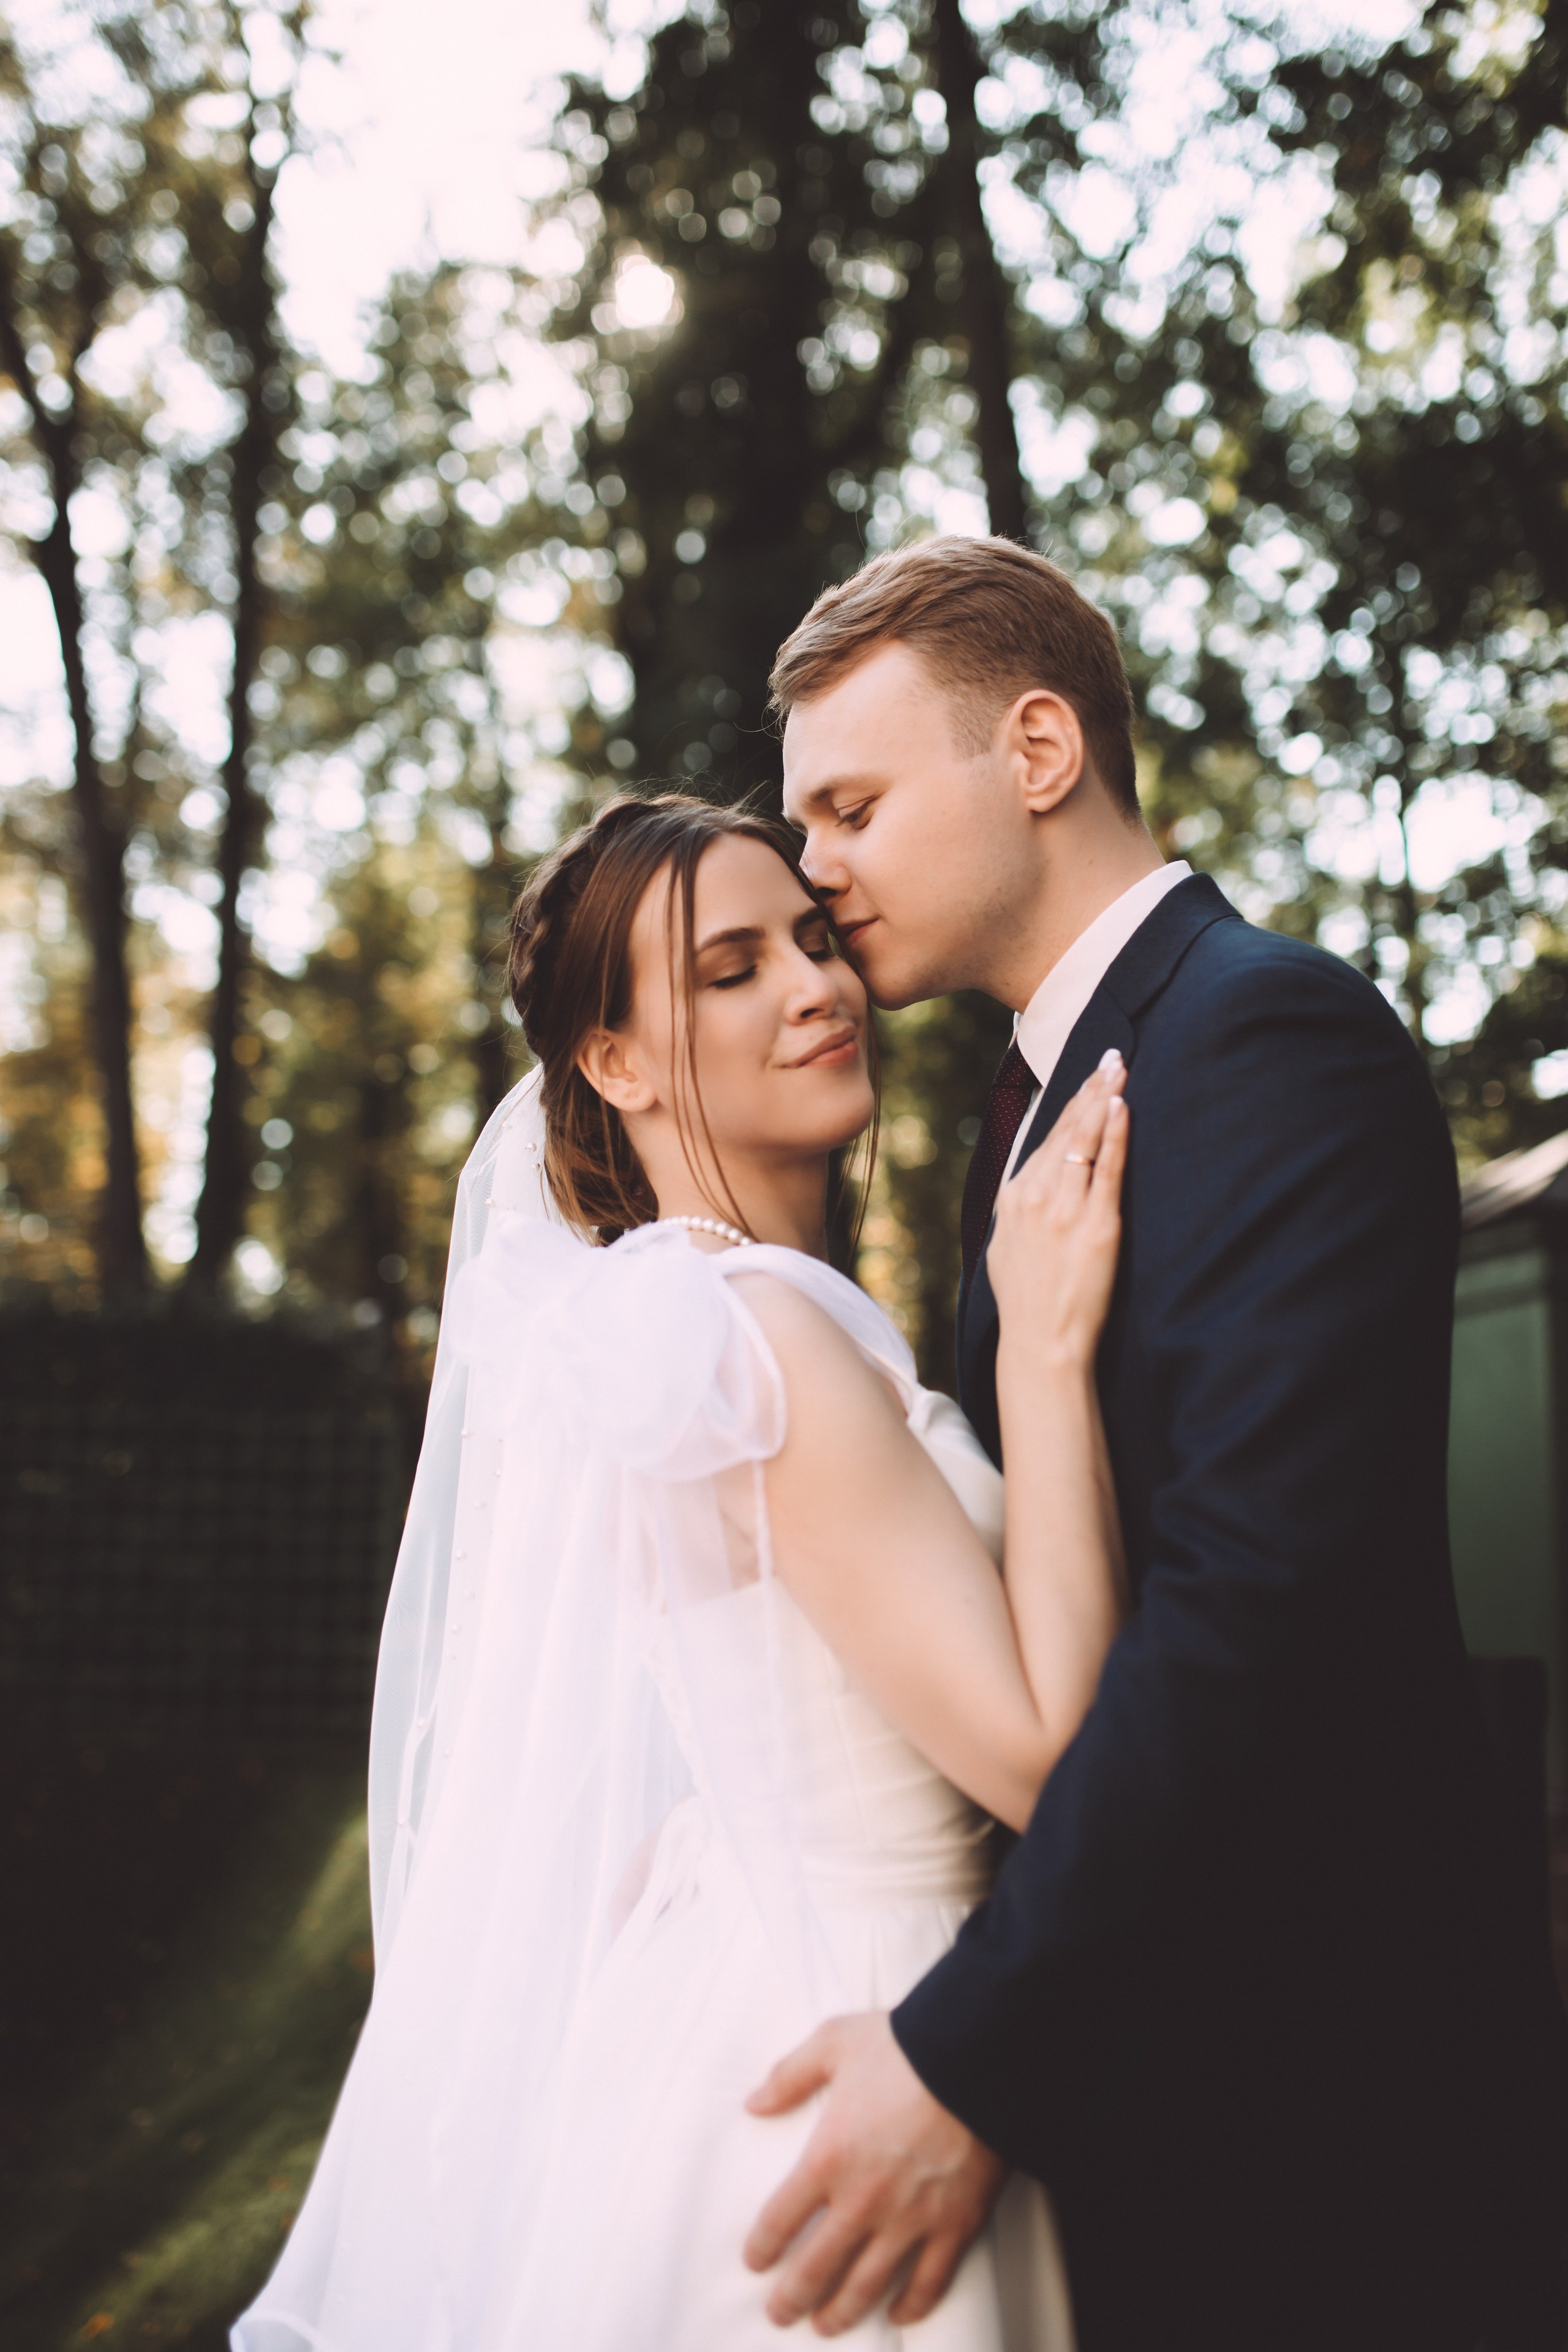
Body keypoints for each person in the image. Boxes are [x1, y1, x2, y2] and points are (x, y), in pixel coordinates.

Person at [744, 533, 1568, 2351]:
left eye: (854, 806)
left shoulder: (1265, 1038)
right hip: (1175, 2072)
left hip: (1326, 2094)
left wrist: (974, 2057)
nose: (818, 871)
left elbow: (1254, 1603)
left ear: (1037, 753)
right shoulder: (1040, 1095)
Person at [231, 790, 1140, 2351]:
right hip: (859, 2002)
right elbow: (1049, 1759)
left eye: (808, 938)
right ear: (615, 1060)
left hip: (750, 1973)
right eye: (728, 969)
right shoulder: (751, 1340)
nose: (814, 985)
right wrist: (1050, 1357)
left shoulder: (687, 1327)